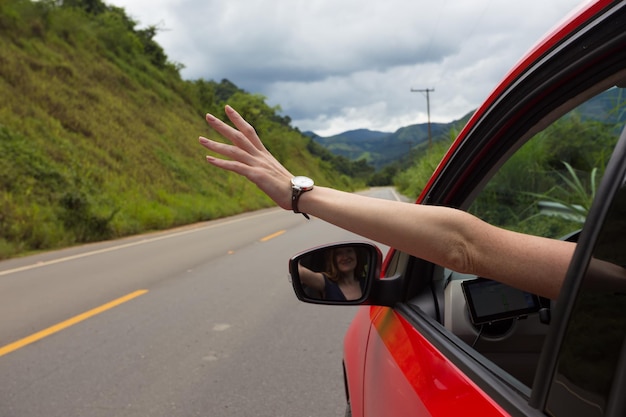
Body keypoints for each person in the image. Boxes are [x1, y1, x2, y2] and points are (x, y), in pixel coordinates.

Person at [198, 105, 576, 300]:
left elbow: (462, 246)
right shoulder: (605, 275)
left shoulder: (604, 278)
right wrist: (301, 195)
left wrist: (302, 196)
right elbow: (460, 245)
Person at [298, 246, 367, 301]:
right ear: (333, 259)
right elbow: (299, 271)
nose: (345, 257)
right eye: (339, 253)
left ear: (356, 255)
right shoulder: (326, 282)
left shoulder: (367, 282)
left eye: (349, 251)